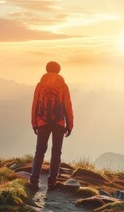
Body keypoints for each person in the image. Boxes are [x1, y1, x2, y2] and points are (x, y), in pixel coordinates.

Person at [30, 61, 74, 191]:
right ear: (59, 70)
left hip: (43, 122)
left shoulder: (40, 85)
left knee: (39, 151)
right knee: (56, 152)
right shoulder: (63, 86)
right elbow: (68, 106)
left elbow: (35, 105)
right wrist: (70, 125)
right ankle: (52, 181)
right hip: (59, 123)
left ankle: (34, 179)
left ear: (46, 69)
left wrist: (34, 123)